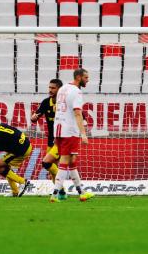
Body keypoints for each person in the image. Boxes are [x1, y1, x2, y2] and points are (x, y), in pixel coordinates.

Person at [50, 68, 94, 203]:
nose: (88, 80)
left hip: (58, 129)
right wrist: (83, 133)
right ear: (79, 77)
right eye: (86, 78)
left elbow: (59, 109)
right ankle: (54, 194)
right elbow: (77, 113)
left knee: (72, 161)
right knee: (64, 161)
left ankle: (81, 192)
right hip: (70, 131)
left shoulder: (63, 88)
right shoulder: (77, 92)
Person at [31, 78, 67, 200]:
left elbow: (80, 114)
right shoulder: (46, 102)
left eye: (53, 88)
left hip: (62, 140)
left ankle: (61, 189)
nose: (50, 90)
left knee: (47, 163)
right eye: (49, 87)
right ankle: (61, 192)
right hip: (51, 140)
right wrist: (34, 117)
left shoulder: (65, 102)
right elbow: (36, 115)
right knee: (52, 169)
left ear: (59, 89)